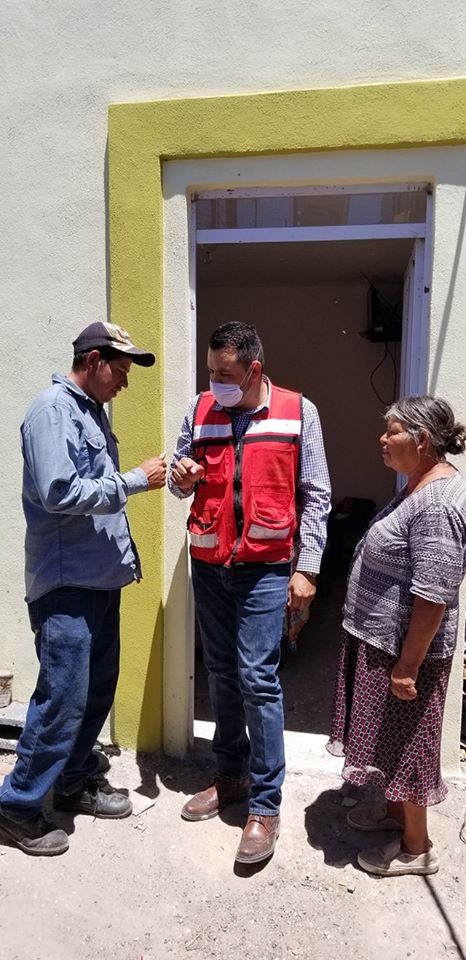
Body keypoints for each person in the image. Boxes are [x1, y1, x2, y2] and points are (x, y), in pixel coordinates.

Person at [0, 322, 166, 857]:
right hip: (66, 583)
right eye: (119, 371)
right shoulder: (52, 410)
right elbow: (59, 491)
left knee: (95, 689)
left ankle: (72, 782)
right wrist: (136, 479)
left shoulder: (89, 411)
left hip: (99, 579)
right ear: (92, 360)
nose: (123, 383)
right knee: (62, 697)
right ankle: (17, 806)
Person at [169, 321, 331, 864]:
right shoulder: (199, 410)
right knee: (219, 671)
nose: (215, 383)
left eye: (226, 374)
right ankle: (230, 775)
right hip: (210, 561)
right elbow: (177, 478)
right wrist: (182, 476)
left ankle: (265, 804)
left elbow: (317, 494)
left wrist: (306, 568)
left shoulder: (297, 411)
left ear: (254, 369)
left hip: (265, 567)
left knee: (258, 678)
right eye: (211, 372)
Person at [327, 395, 466, 877]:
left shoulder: (439, 503)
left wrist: (408, 667)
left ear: (422, 440)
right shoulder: (415, 486)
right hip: (382, 642)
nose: (382, 440)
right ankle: (391, 812)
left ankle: (416, 845)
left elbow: (433, 594)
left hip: (408, 653)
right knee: (391, 739)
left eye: (392, 431)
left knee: (409, 746)